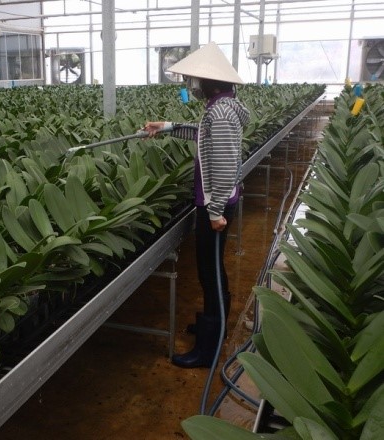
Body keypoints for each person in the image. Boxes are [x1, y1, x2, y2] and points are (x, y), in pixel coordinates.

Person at [143, 42, 250, 368]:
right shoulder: (224, 107)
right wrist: (169, 128)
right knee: (210, 268)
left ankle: (209, 347)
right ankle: (210, 324)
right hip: (216, 202)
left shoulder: (219, 113)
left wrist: (215, 210)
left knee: (211, 272)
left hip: (215, 206)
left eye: (197, 81)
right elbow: (206, 136)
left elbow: (226, 163)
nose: (194, 86)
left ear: (210, 83)